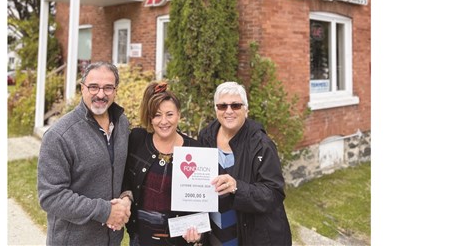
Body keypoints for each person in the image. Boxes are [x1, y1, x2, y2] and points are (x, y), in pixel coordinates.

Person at [37, 61, 132, 245]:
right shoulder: (59, 136)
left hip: (112, 241)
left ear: (116, 90)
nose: (101, 94)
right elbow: (51, 196)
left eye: (108, 88)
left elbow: (123, 170)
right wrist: (105, 211)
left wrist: (127, 197)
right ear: (82, 88)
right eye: (94, 87)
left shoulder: (122, 124)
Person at [198, 81, 292, 246]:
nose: (229, 111)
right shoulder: (205, 137)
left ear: (246, 110)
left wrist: (236, 187)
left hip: (253, 236)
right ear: (216, 110)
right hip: (217, 236)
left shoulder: (261, 144)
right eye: (222, 106)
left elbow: (273, 193)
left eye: (235, 106)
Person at [122, 81, 206, 246]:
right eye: (157, 115)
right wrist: (125, 196)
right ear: (150, 118)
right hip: (140, 239)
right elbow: (124, 176)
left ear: (179, 115)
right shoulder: (138, 139)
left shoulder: (195, 150)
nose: (164, 121)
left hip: (178, 241)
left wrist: (199, 233)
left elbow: (203, 199)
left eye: (169, 114)